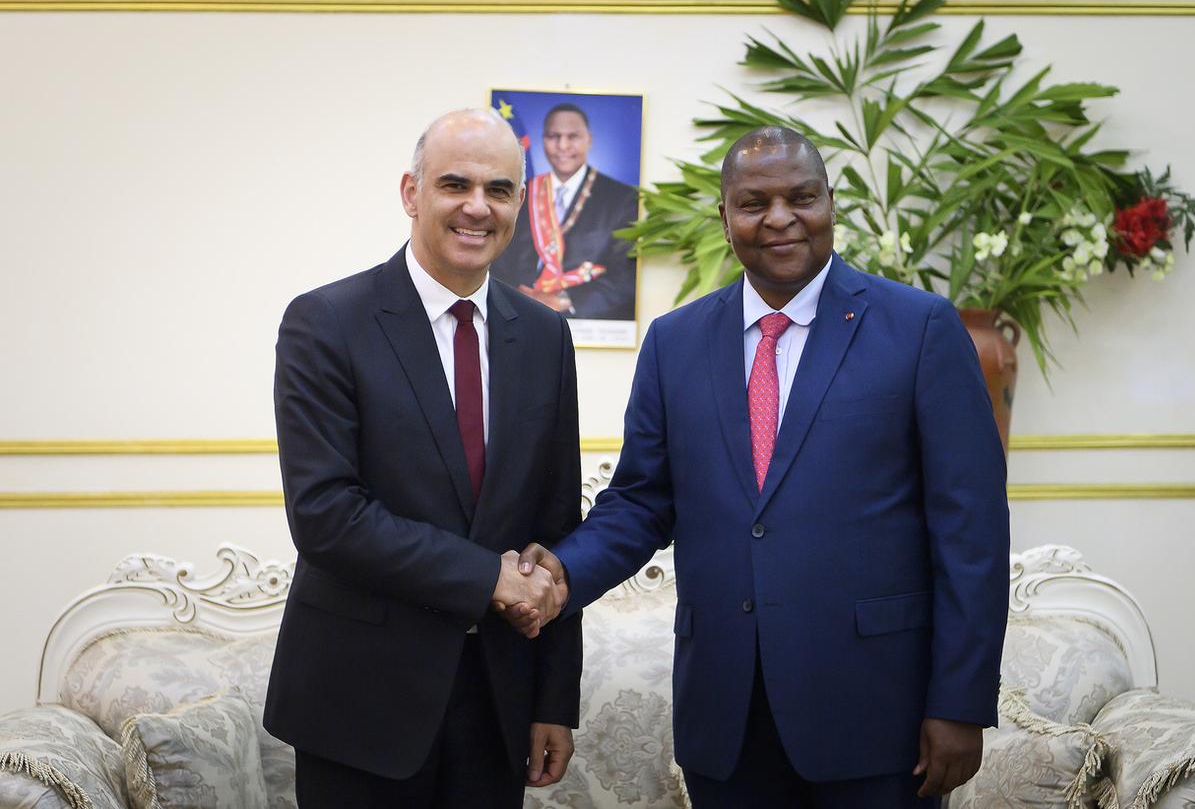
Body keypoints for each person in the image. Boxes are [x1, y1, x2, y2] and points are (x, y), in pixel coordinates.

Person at [512, 127, 1009, 808]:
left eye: (801, 197)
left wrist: (961, 701)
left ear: (832, 203)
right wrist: (564, 573)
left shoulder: (919, 328)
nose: (780, 218)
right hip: (728, 718)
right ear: (725, 217)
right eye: (754, 202)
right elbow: (639, 503)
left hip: (879, 718)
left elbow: (971, 529)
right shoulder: (675, 343)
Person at [263, 108, 582, 809]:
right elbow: (326, 517)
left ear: (518, 204)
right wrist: (487, 580)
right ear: (412, 193)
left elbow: (556, 524)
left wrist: (554, 698)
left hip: (497, 703)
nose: (477, 207)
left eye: (498, 190)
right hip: (359, 705)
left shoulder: (546, 335)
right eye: (454, 184)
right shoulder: (325, 323)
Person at [490, 102, 639, 321]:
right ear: (543, 140)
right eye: (553, 136)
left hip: (588, 320)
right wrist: (520, 299)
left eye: (573, 136)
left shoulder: (622, 197)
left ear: (589, 139)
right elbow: (496, 261)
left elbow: (627, 275)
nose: (563, 146)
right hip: (517, 317)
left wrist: (568, 300)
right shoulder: (518, 194)